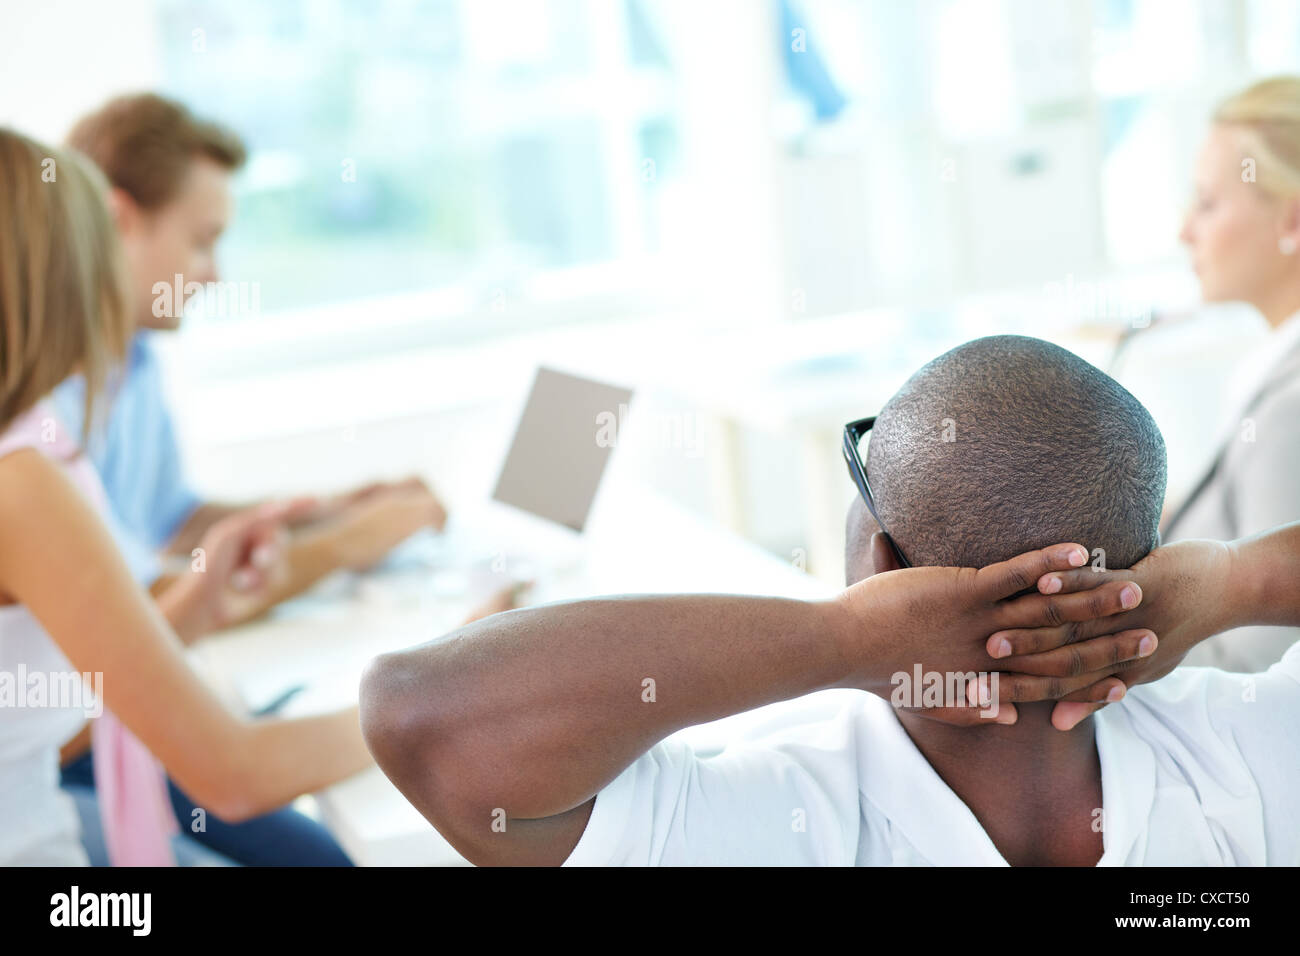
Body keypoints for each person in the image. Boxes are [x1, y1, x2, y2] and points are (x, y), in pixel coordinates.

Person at [359, 335, 1300, 866]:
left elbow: (418, 715)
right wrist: (1229, 580)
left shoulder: (776, 815)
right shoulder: (1254, 753)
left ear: (880, 558)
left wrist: (844, 636)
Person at [52, 93, 518, 865]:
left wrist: (324, 516)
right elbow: (138, 629)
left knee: (323, 852)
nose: (212, 274)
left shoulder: (131, 364)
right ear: (117, 218)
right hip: (70, 749)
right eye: (202, 242)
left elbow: (168, 531)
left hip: (102, 722)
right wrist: (352, 553)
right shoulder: (41, 431)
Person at [0, 127, 381, 866]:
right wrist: (429, 706)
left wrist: (198, 599)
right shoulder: (21, 484)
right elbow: (235, 776)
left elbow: (47, 723)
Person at [1168, 75, 1300, 671]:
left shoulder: (1290, 406)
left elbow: (1262, 662)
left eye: (1207, 202)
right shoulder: (1274, 378)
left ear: (1293, 222)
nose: (1184, 231)